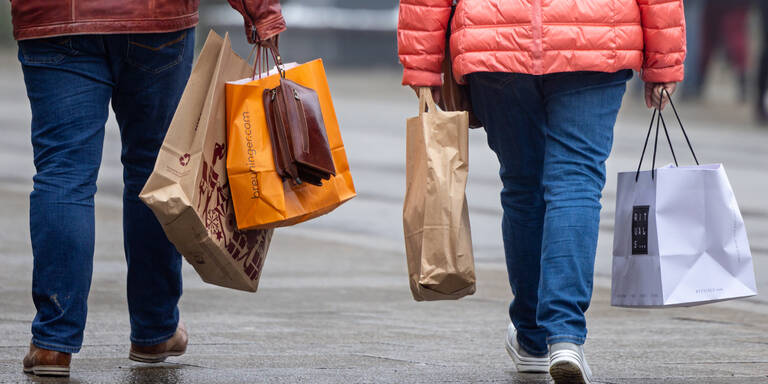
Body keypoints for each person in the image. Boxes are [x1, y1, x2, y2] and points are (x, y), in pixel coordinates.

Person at [398, 1, 685, 383]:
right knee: (577, 181)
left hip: (495, 38)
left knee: (522, 185)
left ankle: (533, 338)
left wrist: (422, 63)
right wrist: (664, 62)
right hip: (597, 37)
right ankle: (565, 336)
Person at [13, 0, 284, 377]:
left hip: (56, 19)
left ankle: (52, 344)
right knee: (153, 171)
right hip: (155, 18)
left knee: (63, 174)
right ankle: (155, 330)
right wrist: (261, 10)